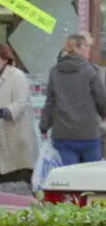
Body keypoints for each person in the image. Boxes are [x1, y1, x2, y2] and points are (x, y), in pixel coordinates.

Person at [0, 43, 38, 189]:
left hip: (15, 137)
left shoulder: (17, 76)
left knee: (16, 178)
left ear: (5, 59)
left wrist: (4, 111)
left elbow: (22, 102)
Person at [41, 33, 106, 166]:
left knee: (69, 178)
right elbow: (101, 99)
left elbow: (50, 103)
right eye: (86, 46)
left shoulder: (55, 72)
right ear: (77, 48)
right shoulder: (90, 71)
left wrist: (43, 127)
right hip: (89, 133)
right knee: (91, 176)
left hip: (63, 134)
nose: (88, 50)